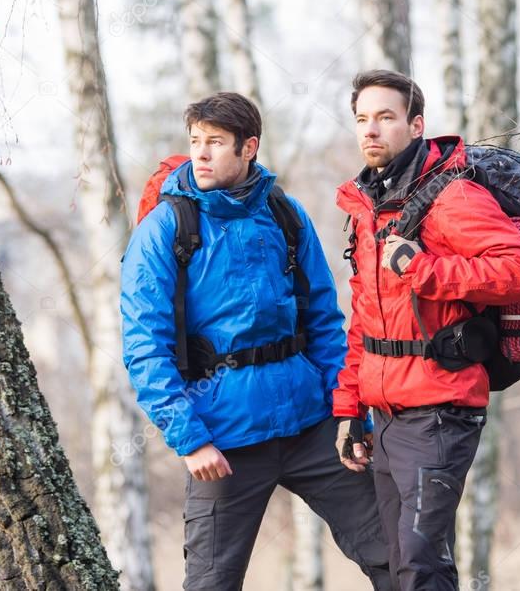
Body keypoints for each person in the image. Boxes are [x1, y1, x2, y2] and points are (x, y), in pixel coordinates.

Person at [121, 91, 392, 590]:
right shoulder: (165, 230)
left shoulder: (285, 215)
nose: (200, 154)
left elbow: (325, 323)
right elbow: (144, 348)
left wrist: (349, 411)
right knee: (210, 584)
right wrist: (190, 439)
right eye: (195, 142)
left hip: (312, 423)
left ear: (249, 148)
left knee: (393, 558)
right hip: (223, 439)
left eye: (216, 143)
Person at [333, 71, 520, 591]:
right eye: (363, 119)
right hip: (385, 415)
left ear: (416, 124)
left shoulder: (451, 197)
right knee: (399, 562)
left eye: (385, 118)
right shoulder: (369, 204)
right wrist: (349, 409)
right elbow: (365, 317)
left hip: (441, 413)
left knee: (419, 567)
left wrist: (425, 270)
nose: (371, 131)